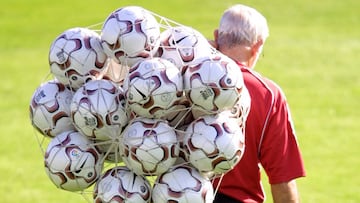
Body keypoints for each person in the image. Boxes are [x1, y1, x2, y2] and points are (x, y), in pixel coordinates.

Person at [210, 4, 306, 203]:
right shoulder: (269, 95)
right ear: (257, 46)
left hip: (178, 195)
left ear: (217, 36)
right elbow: (282, 179)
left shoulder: (181, 77)